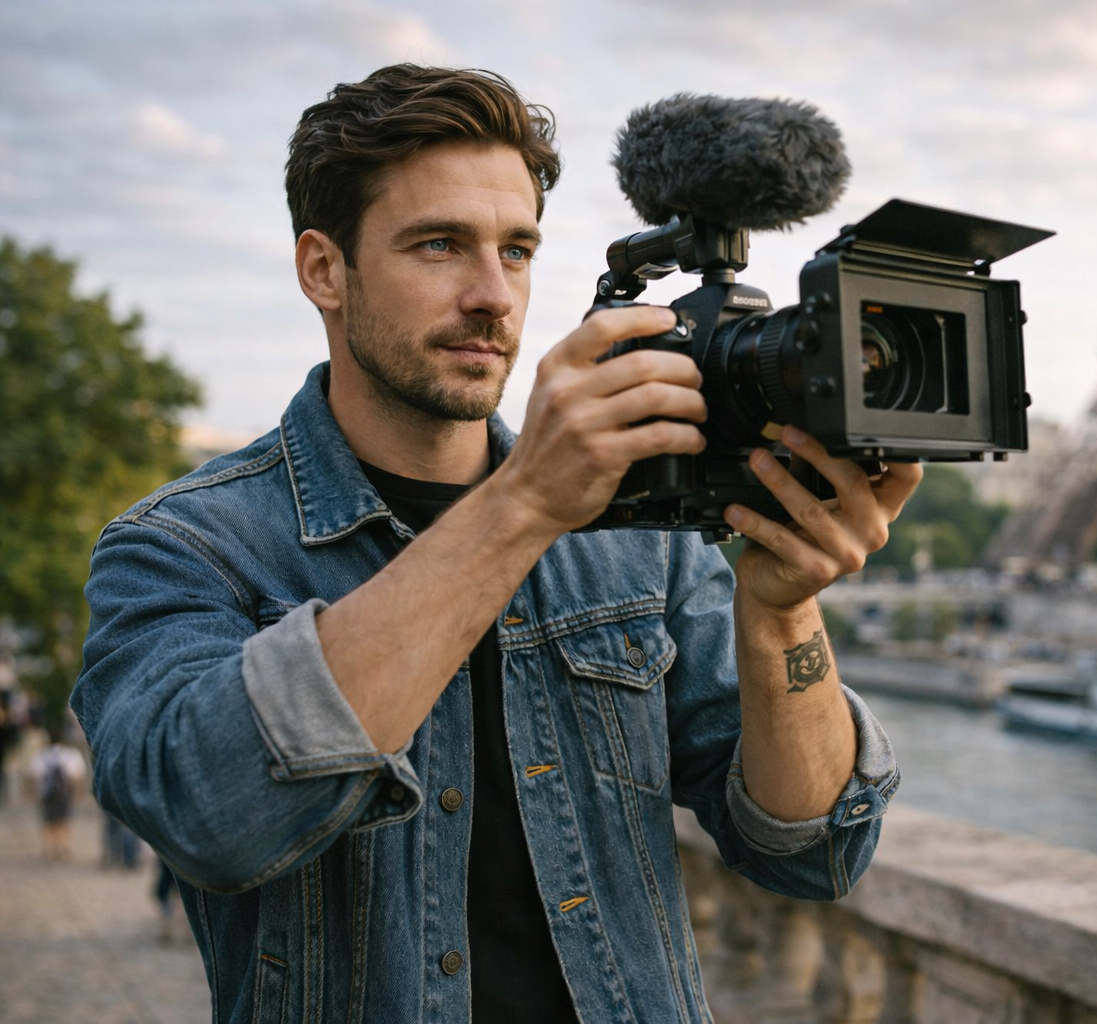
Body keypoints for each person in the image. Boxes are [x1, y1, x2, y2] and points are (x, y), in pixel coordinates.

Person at [72, 64, 915, 1024]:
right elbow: (208, 814)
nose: (492, 295)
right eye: (439, 245)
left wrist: (780, 607)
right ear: (323, 270)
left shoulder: (640, 537)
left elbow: (812, 850)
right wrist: (523, 507)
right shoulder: (183, 544)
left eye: (517, 251)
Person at [29, 726, 86, 861]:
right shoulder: (71, 754)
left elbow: (35, 775)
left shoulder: (42, 754)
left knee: (48, 820)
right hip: (64, 794)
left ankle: (49, 847)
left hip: (47, 793)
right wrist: (78, 791)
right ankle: (63, 845)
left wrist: (32, 792)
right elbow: (77, 775)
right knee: (64, 819)